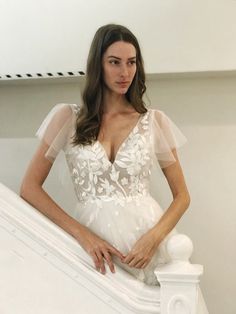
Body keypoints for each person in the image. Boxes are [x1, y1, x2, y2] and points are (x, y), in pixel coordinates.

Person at [20, 24, 190, 286]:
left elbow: (182, 196)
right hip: (93, 252)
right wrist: (83, 235)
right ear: (97, 65)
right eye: (114, 62)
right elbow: (30, 188)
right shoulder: (67, 118)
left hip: (148, 250)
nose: (125, 72)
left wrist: (154, 238)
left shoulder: (154, 121)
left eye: (131, 63)